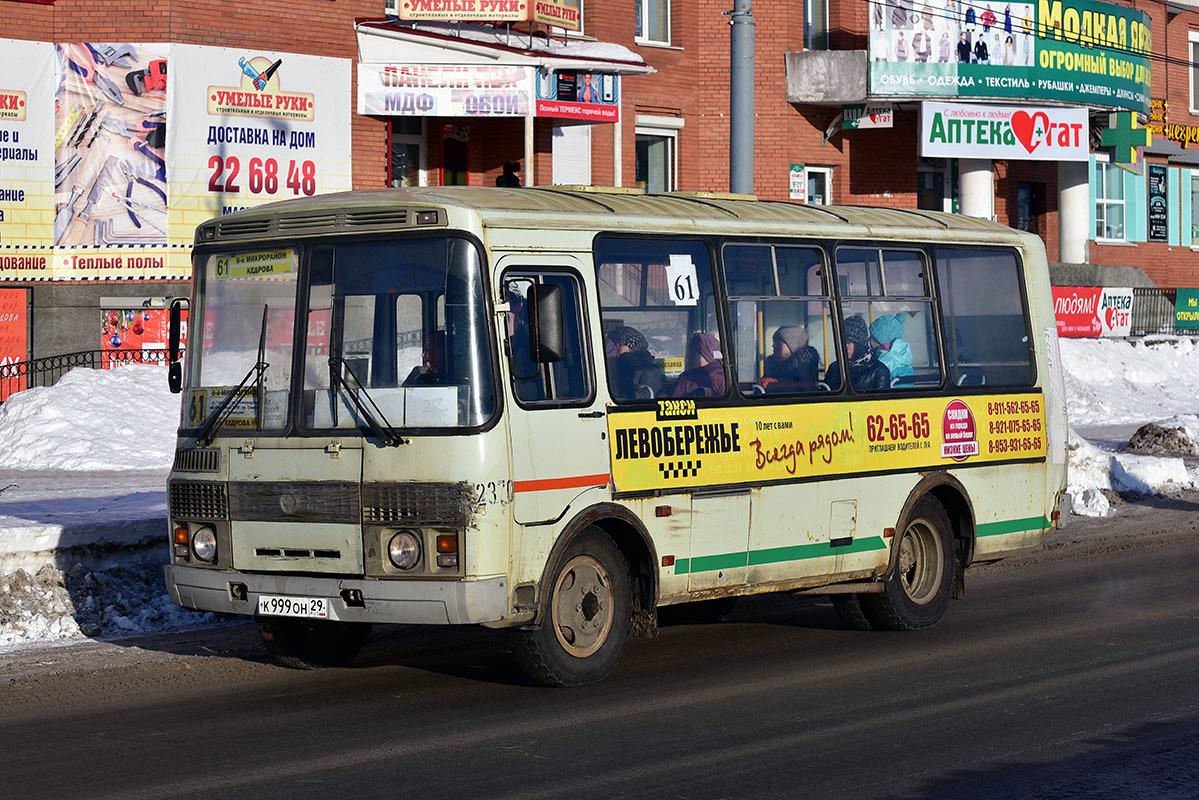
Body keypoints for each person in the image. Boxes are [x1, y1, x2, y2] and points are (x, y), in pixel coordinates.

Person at [824, 315, 891, 391]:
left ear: (859, 345)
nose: (844, 347)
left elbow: (881, 401)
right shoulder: (835, 368)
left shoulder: (879, 371)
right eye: (842, 342)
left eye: (848, 342)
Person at [756, 326, 820, 392]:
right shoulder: (772, 365)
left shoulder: (804, 364)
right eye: (774, 341)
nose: (774, 345)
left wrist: (776, 382)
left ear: (792, 345)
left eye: (779, 341)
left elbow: (801, 387)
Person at [606, 325, 663, 400]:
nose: (615, 349)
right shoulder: (619, 365)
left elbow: (647, 396)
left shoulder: (650, 370)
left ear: (630, 347)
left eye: (619, 345)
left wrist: (622, 395)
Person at [669, 332, 725, 398]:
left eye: (692, 353)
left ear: (706, 356)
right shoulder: (686, 376)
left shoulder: (718, 378)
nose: (687, 357)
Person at [869, 313, 914, 383]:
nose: (869, 339)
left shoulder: (884, 361)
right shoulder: (903, 357)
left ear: (879, 340)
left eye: (872, 336)